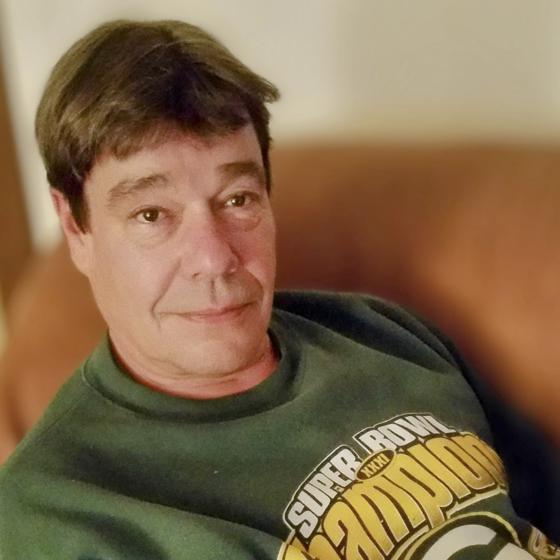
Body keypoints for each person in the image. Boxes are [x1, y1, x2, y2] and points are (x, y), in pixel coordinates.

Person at [0, 18, 558, 560]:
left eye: (237, 199)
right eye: (152, 214)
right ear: (76, 228)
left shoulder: (386, 334)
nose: (215, 259)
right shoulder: (55, 514)